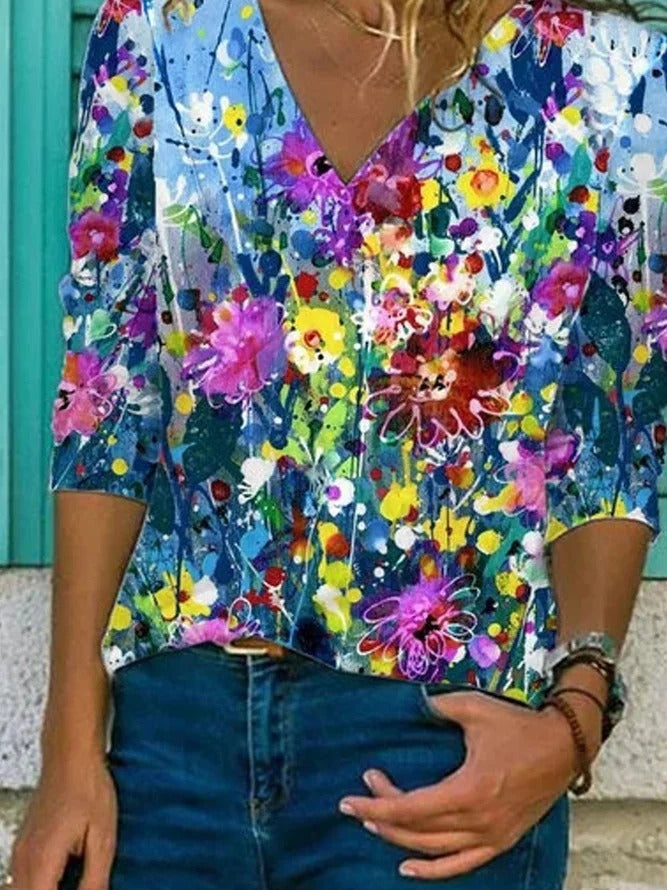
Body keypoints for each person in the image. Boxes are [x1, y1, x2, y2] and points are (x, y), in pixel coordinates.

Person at [5, 0, 667, 887]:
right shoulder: (159, 37)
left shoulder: (608, 76)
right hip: (166, 748)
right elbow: (107, 402)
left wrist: (570, 724)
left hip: (438, 754)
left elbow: (611, 435)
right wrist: (68, 748)